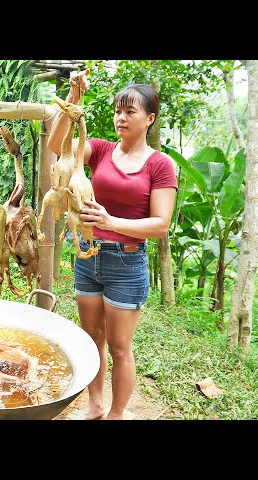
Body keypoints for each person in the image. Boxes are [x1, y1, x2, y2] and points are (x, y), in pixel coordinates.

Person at [48, 68, 178, 420]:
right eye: (119, 111)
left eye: (130, 111)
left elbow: (161, 224)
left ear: (149, 119)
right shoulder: (102, 151)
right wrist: (73, 100)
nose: (121, 117)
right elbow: (56, 146)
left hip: (127, 262)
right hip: (88, 256)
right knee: (93, 340)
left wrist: (111, 222)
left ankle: (118, 414)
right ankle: (94, 405)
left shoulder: (160, 164)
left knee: (120, 348)